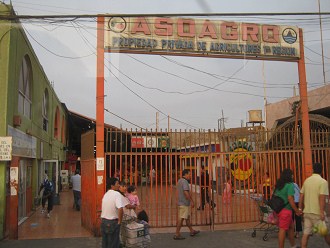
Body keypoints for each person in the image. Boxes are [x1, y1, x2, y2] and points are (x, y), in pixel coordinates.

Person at [299, 162, 330, 248]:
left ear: (313, 170)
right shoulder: (323, 182)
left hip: (307, 212)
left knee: (305, 234)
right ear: (322, 171)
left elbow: (301, 195)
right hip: (317, 213)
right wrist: (321, 212)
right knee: (326, 234)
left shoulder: (307, 180)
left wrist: (300, 208)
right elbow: (322, 197)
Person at [273, 168, 301, 248]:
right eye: (292, 174)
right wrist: (296, 210)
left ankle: (293, 246)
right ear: (290, 176)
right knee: (282, 229)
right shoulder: (290, 185)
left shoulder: (279, 184)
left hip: (278, 209)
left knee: (291, 227)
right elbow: (290, 199)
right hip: (286, 211)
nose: (293, 176)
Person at [174, 169, 200, 240]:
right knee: (181, 219)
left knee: (187, 218)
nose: (190, 176)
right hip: (184, 204)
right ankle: (177, 234)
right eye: (189, 174)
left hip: (181, 202)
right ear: (185, 174)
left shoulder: (179, 181)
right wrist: (191, 201)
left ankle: (192, 231)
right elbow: (186, 193)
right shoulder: (185, 182)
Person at [101, 177, 126, 248]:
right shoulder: (116, 194)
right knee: (114, 243)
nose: (119, 185)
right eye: (117, 184)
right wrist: (119, 222)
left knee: (105, 243)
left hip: (104, 222)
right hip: (112, 222)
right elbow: (120, 208)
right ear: (112, 185)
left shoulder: (106, 194)